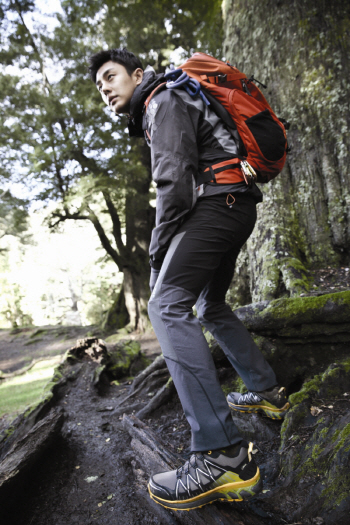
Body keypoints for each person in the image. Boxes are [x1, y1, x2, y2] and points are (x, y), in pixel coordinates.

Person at [89, 47, 290, 511]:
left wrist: (158, 257)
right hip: (235, 205)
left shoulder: (162, 99)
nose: (105, 87)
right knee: (208, 305)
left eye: (110, 76)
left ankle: (223, 454)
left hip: (217, 205)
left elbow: (173, 185)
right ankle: (266, 392)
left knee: (164, 305)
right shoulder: (167, 100)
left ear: (137, 74)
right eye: (99, 84)